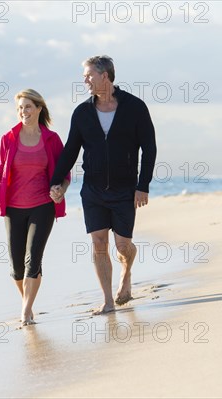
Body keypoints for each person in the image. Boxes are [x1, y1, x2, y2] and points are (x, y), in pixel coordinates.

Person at [50, 55, 157, 315]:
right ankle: (108, 301)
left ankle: (126, 272)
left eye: (88, 75)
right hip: (93, 190)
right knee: (99, 244)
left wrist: (143, 185)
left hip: (125, 190)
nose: (84, 80)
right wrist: (56, 182)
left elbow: (149, 148)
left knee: (122, 247)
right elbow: (70, 151)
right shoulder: (82, 112)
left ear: (104, 76)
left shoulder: (135, 107)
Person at [0, 89, 70, 326]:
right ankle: (28, 303)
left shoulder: (51, 139)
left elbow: (65, 173)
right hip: (13, 207)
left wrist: (61, 190)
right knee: (16, 265)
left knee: (33, 259)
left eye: (28, 107)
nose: (24, 111)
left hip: (42, 206)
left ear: (39, 108)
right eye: (20, 108)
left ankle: (25, 311)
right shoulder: (8, 138)